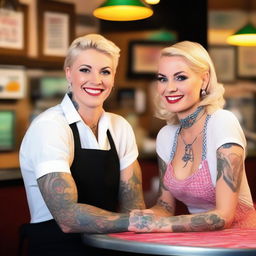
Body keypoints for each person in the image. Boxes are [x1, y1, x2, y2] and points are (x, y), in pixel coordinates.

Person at [19, 34, 145, 255]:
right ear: (69, 73)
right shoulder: (50, 126)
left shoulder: (120, 127)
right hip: (57, 247)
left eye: (105, 71)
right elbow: (67, 217)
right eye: (85, 70)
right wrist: (143, 222)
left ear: (114, 77)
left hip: (110, 245)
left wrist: (139, 223)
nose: (96, 80)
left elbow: (133, 207)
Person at [128, 41, 256, 233]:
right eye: (162, 79)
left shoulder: (222, 122)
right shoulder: (166, 136)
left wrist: (159, 225)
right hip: (198, 241)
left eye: (180, 77)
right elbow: (165, 207)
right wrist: (136, 218)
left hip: (242, 241)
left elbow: (224, 216)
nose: (169, 88)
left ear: (204, 80)